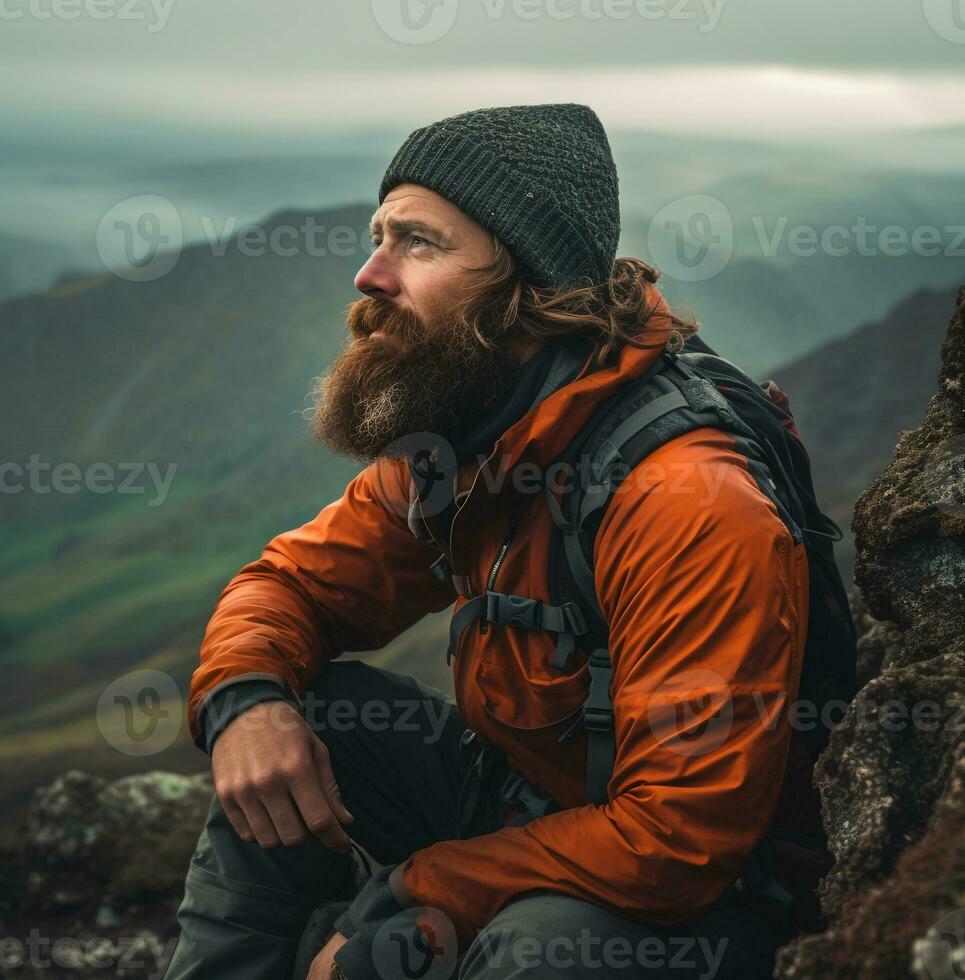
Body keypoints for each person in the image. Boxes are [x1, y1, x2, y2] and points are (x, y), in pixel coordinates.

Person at [164, 103, 823, 979]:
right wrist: (244, 699)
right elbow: (295, 584)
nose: (369, 275)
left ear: (530, 290)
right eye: (377, 237)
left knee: (538, 951)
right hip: (530, 808)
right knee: (309, 718)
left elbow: (679, 840)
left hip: (707, 900)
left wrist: (416, 893)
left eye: (419, 244)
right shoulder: (475, 430)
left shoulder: (687, 503)